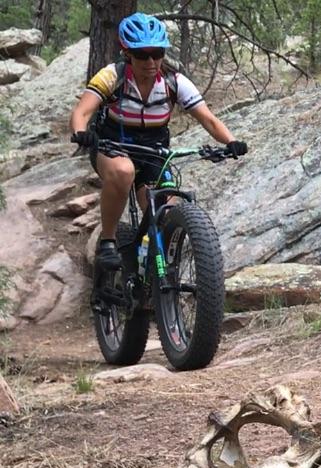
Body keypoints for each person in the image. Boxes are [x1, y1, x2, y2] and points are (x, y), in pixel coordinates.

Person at [68, 12, 247, 274]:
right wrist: (81, 132)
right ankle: (107, 241)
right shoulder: (111, 76)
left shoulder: (174, 82)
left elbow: (208, 119)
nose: (151, 61)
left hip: (153, 151)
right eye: (142, 54)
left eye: (158, 52)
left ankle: (152, 278)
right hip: (112, 144)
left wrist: (231, 141)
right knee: (124, 171)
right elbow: (81, 112)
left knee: (165, 210)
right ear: (127, 53)